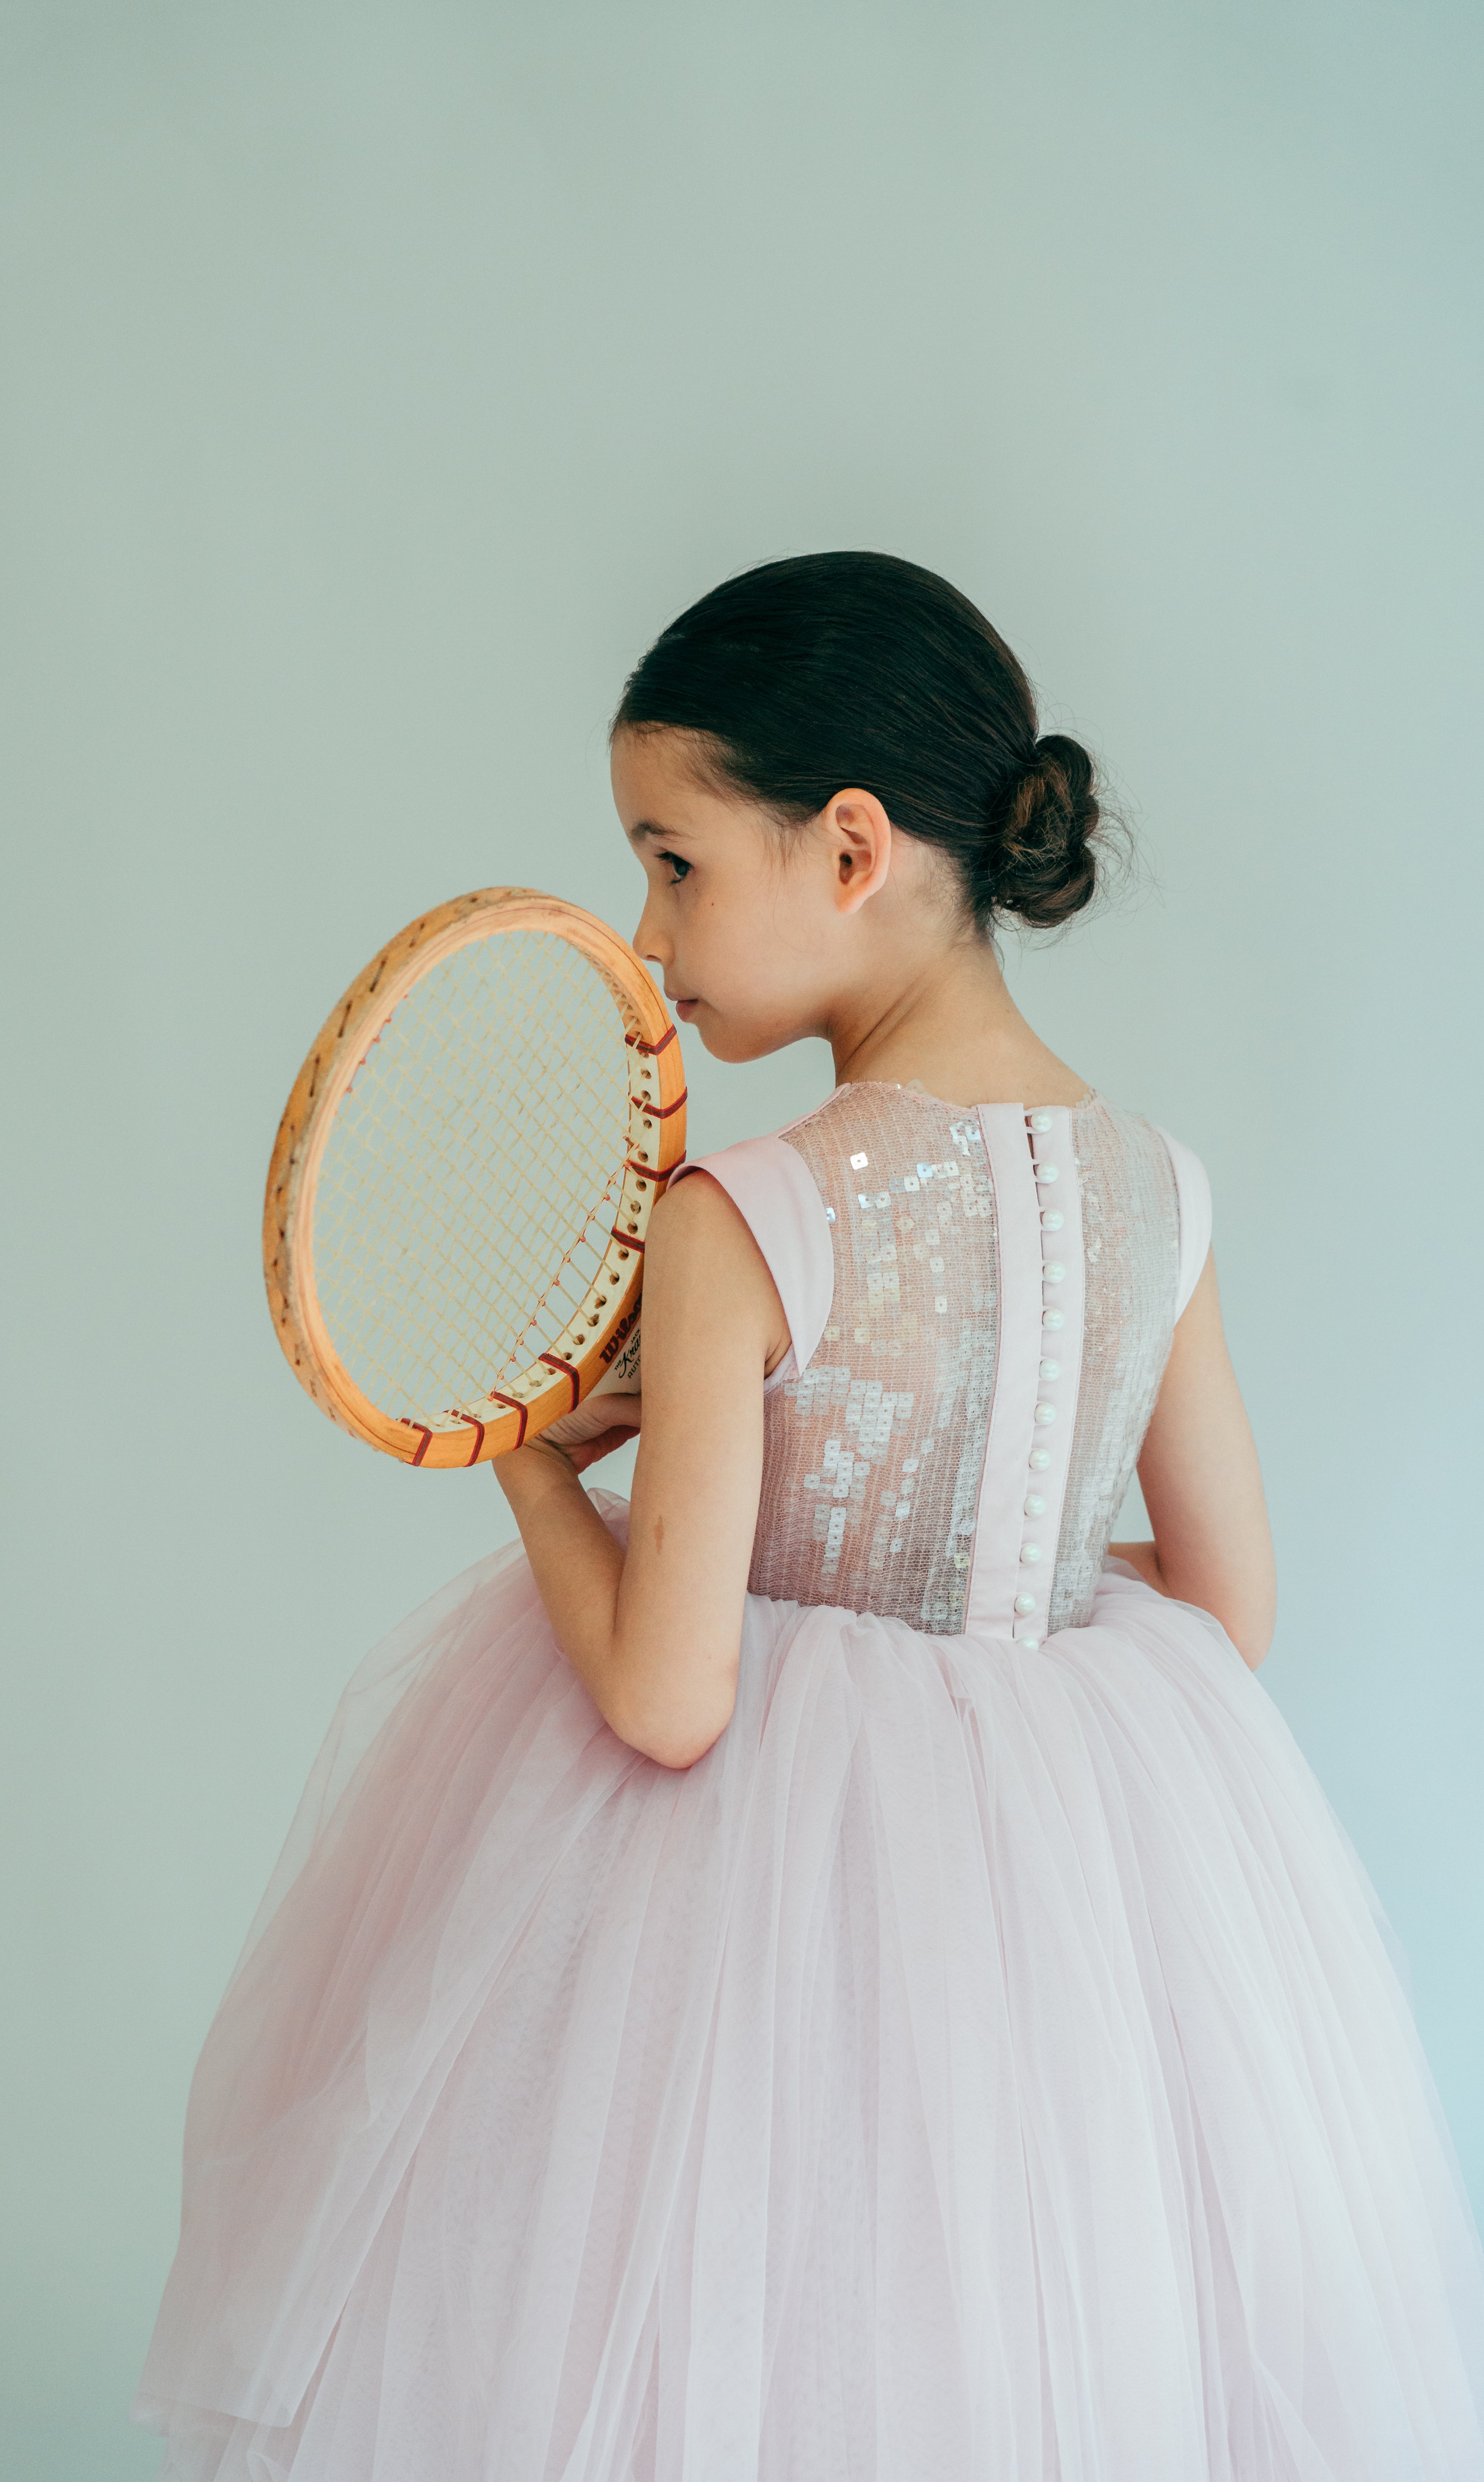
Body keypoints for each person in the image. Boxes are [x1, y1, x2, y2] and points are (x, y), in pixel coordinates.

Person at [136, 553, 1484, 2480]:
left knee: (729, 2338)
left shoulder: (746, 1210)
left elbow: (670, 1706)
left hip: (741, 1934)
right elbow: (1222, 1601)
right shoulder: (1157, 1187)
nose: (644, 920)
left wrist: (531, 1455)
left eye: (673, 857)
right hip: (1075, 1945)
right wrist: (970, 1552)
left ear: (847, 848)